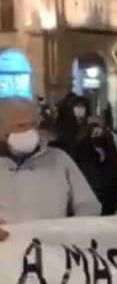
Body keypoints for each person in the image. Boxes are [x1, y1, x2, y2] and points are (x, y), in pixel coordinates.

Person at [0, 98, 100, 229]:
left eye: (33, 125)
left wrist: (78, 229)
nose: (29, 131)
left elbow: (87, 204)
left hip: (52, 245)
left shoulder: (59, 159)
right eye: (21, 126)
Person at [72, 117, 117, 215]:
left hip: (109, 199)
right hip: (89, 200)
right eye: (93, 131)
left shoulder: (111, 152)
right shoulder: (81, 154)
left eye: (99, 131)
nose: (96, 134)